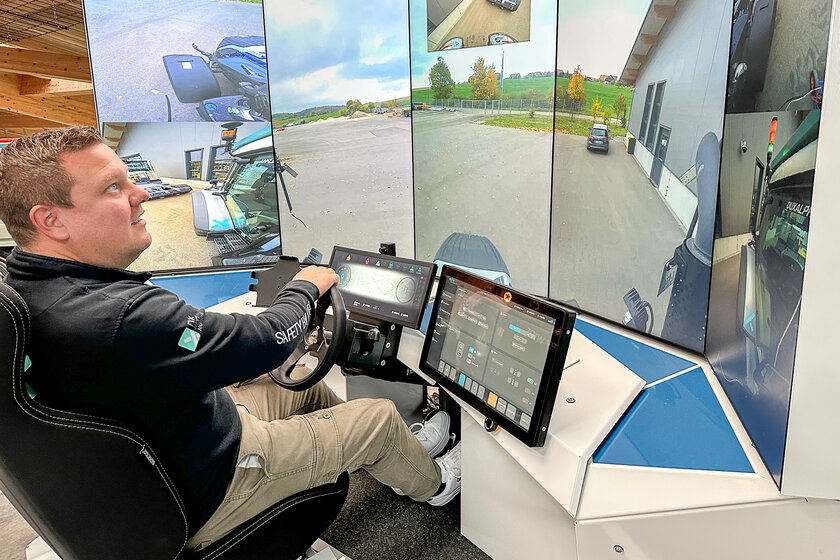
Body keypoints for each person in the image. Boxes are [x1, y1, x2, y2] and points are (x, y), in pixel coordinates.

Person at [0, 127, 461, 551]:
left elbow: (149, 363)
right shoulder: (117, 315)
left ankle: (401, 454)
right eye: (113, 187)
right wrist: (306, 285)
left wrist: (230, 359)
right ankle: (435, 483)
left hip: (166, 453)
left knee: (298, 384)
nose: (141, 193)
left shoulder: (28, 287)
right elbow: (267, 340)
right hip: (213, 480)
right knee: (378, 416)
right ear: (51, 221)